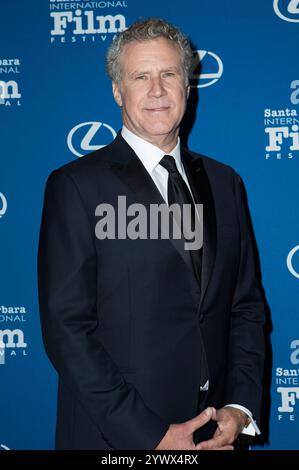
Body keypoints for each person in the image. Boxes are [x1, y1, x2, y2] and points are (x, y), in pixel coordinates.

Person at [38, 18, 265, 450]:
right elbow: (67, 329)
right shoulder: (77, 186)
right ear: (118, 91)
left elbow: (245, 307)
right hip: (117, 439)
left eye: (169, 74)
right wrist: (151, 436)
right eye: (140, 76)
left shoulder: (224, 182)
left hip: (214, 435)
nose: (157, 90)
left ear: (188, 86)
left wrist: (240, 407)